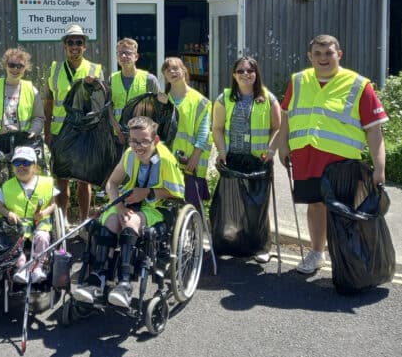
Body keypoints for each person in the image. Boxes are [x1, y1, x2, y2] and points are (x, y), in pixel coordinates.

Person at [277, 34, 388, 274]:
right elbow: (286, 116)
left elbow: (374, 131)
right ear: (310, 56)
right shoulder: (298, 81)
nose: (323, 58)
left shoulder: (359, 84)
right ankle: (317, 254)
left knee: (343, 212)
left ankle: (346, 262)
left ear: (339, 54)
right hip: (306, 158)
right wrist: (282, 145)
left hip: (341, 162)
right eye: (317, 53)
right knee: (315, 206)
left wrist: (380, 168)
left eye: (329, 53)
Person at [72, 116, 185, 308]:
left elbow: (177, 195)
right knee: (111, 221)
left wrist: (148, 192)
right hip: (129, 202)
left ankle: (124, 284)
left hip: (157, 207)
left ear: (155, 140)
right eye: (133, 141)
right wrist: (119, 207)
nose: (138, 147)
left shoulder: (165, 160)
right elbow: (112, 183)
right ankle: (97, 279)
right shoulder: (129, 154)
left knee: (130, 222)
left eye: (144, 141)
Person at [212, 56, 281, 263]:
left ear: (256, 74)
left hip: (258, 161)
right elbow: (217, 128)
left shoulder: (268, 98)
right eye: (240, 71)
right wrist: (221, 151)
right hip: (232, 159)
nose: (245, 74)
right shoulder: (225, 98)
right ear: (234, 75)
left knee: (256, 208)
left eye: (250, 70)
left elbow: (277, 128)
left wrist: (271, 150)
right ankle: (230, 244)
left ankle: (260, 247)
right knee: (230, 204)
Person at [44, 24, 103, 223]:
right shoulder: (55, 69)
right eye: (70, 42)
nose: (74, 46)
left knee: (84, 181)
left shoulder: (95, 69)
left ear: (85, 46)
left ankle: (84, 221)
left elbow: (102, 103)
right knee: (62, 179)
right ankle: (63, 221)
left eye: (79, 42)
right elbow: (48, 102)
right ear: (65, 46)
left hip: (84, 133)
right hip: (59, 132)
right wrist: (47, 132)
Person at [0, 47, 46, 212]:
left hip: (23, 144)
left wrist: (34, 131)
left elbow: (38, 117)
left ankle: (22, 216)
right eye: (12, 65)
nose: (15, 69)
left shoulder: (31, 90)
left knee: (22, 183)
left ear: (25, 68)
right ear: (5, 65)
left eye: (20, 66)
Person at [0, 146, 59, 284]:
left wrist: (44, 212)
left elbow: (54, 205)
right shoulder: (7, 186)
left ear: (34, 166)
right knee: (12, 239)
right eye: (17, 163)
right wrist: (9, 213)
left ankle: (37, 267)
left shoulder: (46, 183)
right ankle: (21, 266)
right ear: (13, 166)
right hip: (16, 224)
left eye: (26, 162)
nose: (21, 166)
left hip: (39, 222)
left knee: (43, 237)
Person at [160, 57, 212, 210]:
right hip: (168, 162)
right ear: (165, 75)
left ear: (184, 70)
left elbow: (204, 133)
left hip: (190, 163)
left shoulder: (200, 101)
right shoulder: (163, 100)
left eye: (176, 68)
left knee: (190, 207)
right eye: (168, 70)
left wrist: (195, 156)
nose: (172, 72)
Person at [108, 38, 160, 161]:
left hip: (142, 138)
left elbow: (159, 110)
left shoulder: (149, 80)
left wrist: (151, 134)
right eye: (120, 53)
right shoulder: (112, 79)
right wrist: (117, 129)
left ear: (136, 56)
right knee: (120, 169)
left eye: (128, 53)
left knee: (140, 170)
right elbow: (108, 107)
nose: (124, 56)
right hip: (118, 137)